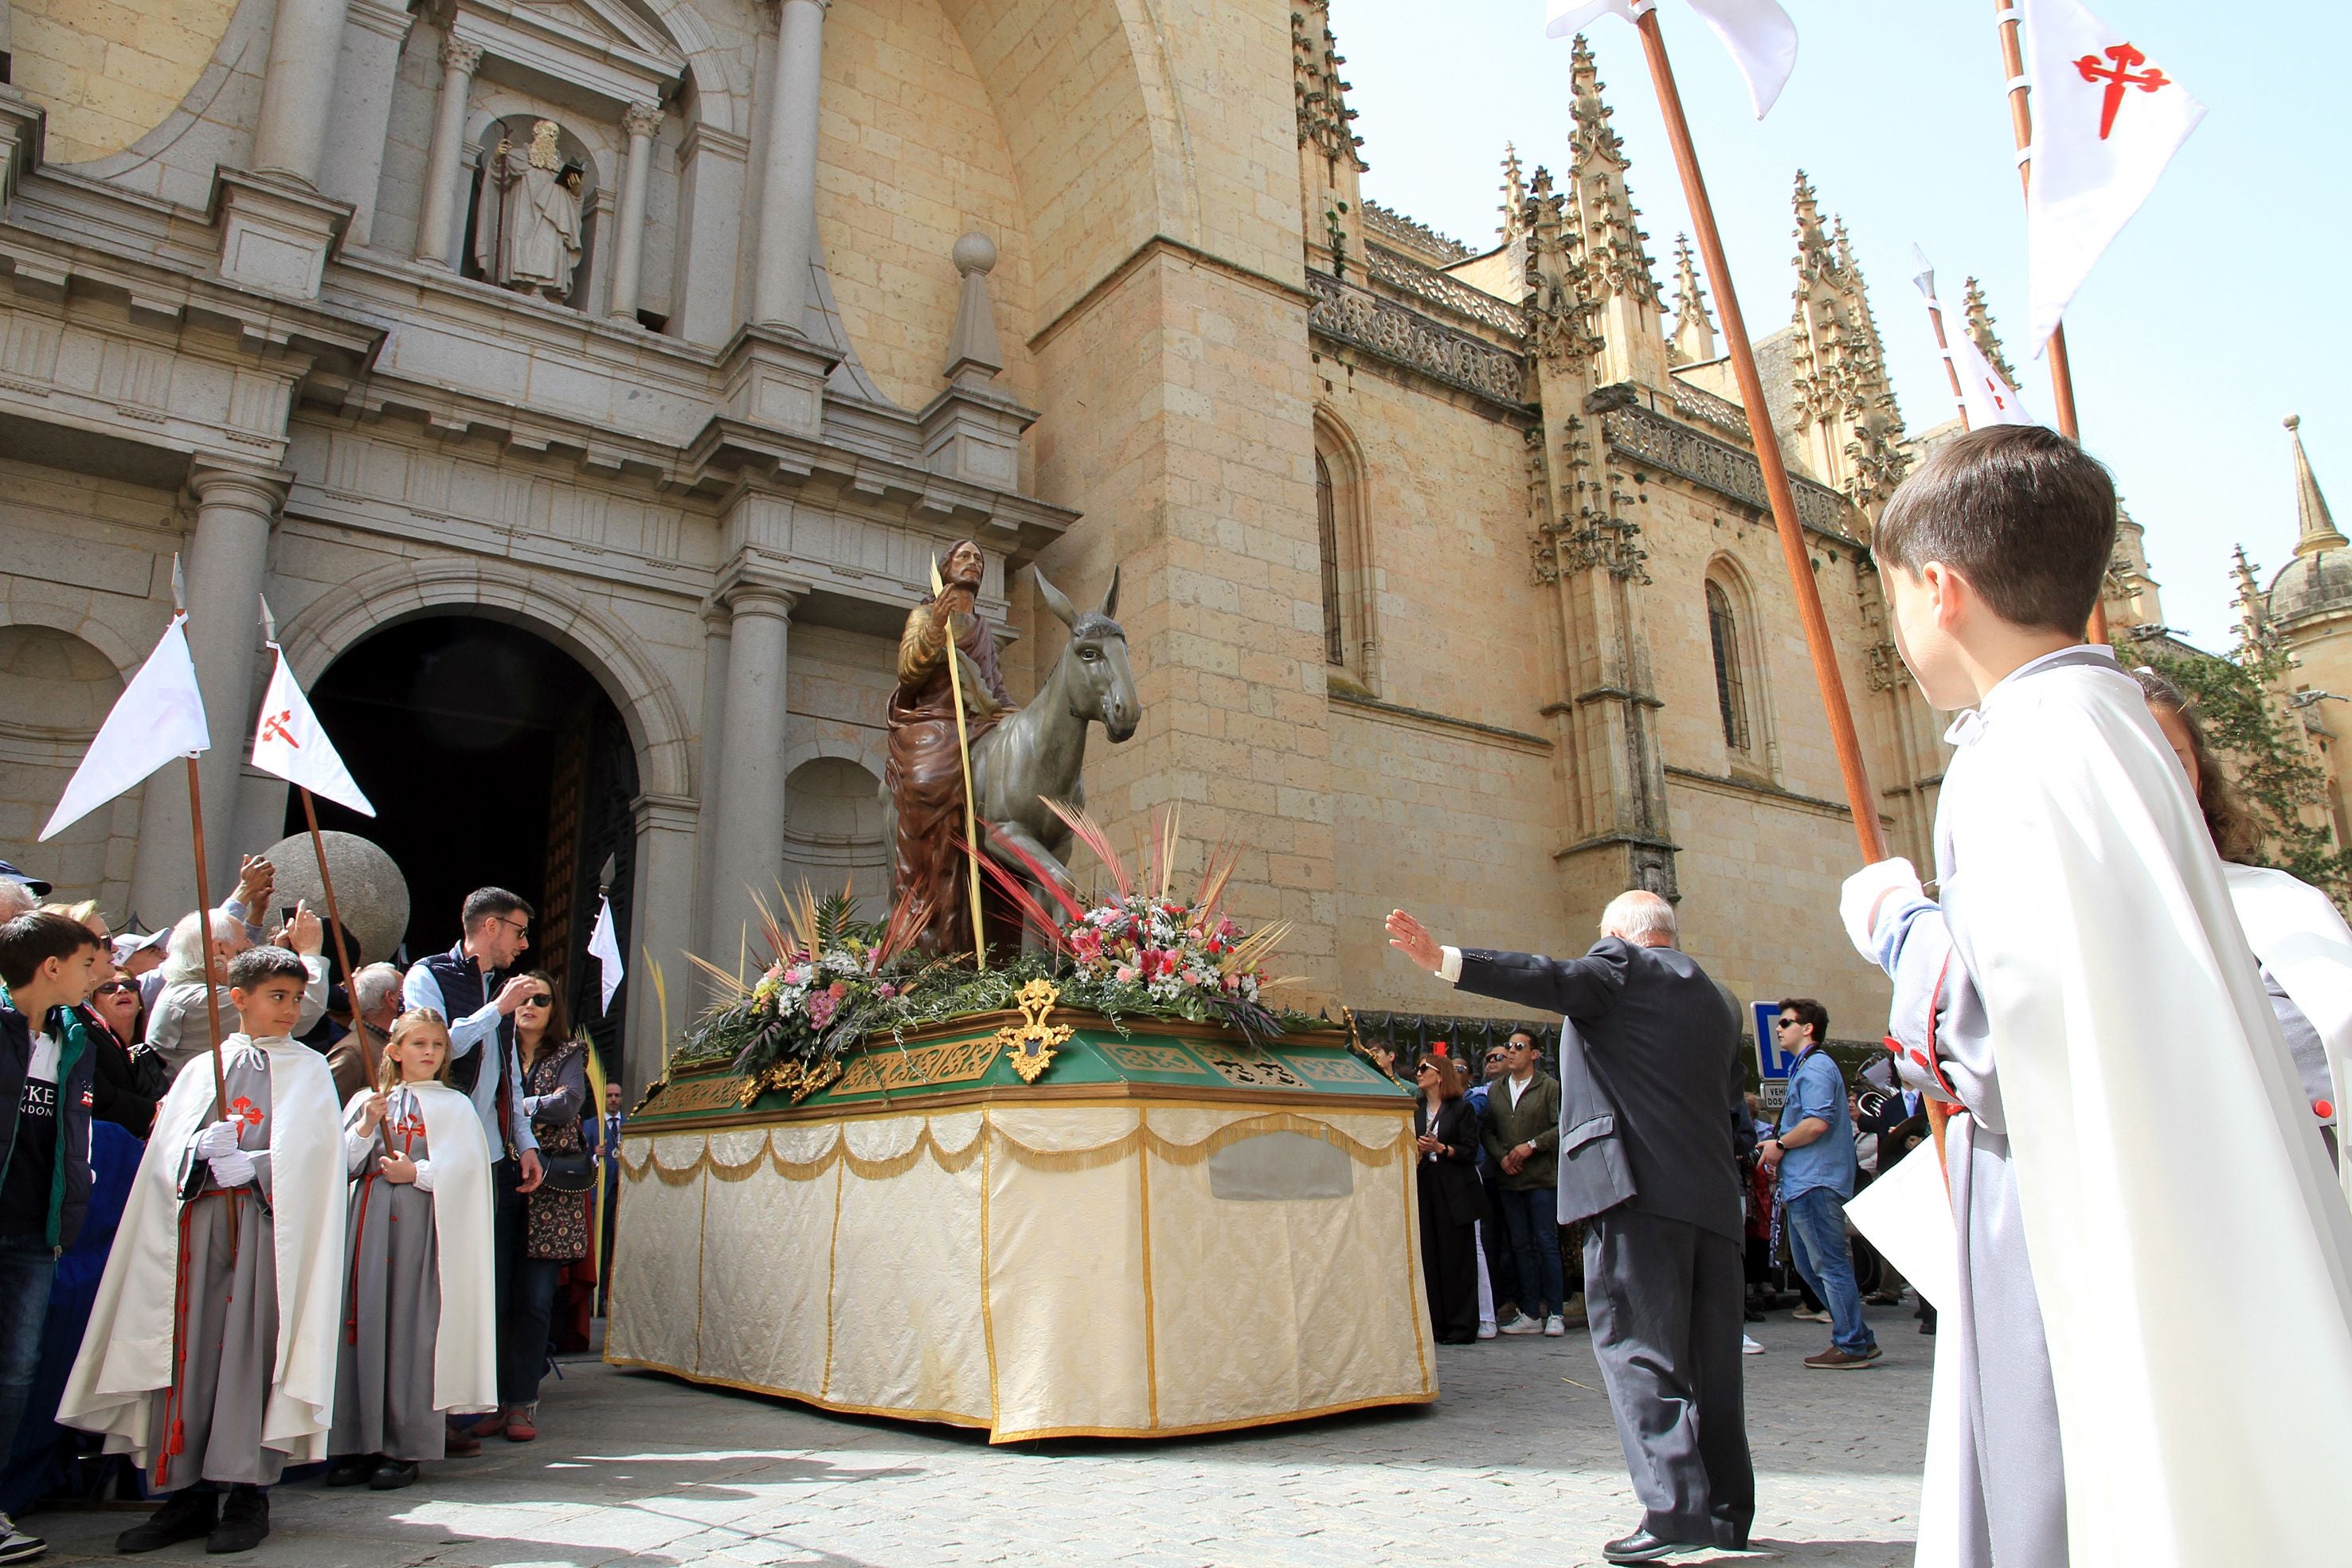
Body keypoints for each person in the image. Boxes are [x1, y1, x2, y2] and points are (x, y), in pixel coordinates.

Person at [1840, 424, 2352, 1566]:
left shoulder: (2015, 746)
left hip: (2073, 1206)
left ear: (1941, 588)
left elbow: (1991, 1046)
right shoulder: (2111, 718)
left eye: (1891, 601)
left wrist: (1894, 919)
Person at [1387, 890, 1751, 1564]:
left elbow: (1546, 975)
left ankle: (1672, 1511)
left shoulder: (1620, 965)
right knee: (1713, 1361)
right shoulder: (1718, 999)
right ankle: (1726, 1512)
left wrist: (1445, 961)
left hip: (1634, 1191)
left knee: (1639, 1349)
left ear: (1619, 934)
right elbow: (1728, 1094)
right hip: (1708, 1196)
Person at [61, 944, 346, 1556]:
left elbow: (319, 1158)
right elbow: (163, 1156)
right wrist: (197, 1153)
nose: (290, 1010)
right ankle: (186, 1493)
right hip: (195, 1231)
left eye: (297, 998)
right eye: (277, 996)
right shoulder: (200, 1069)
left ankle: (248, 1491)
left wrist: (258, 1165)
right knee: (188, 1354)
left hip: (267, 1234)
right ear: (237, 998)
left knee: (250, 1352)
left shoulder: (309, 1068)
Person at [2137, 667, 2350, 1193]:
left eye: (2171, 758)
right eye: (2126, 760)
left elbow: (2327, 1042)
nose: (2149, 778)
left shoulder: (2276, 902)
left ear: (2199, 772)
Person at [327, 1008, 495, 1492]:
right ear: (394, 1051)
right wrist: (364, 1127)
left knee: (411, 1331)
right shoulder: (368, 1099)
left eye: (437, 1045)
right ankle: (356, 1443)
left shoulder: (455, 1107)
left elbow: (468, 1175)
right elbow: (340, 1166)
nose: (428, 1052)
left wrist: (417, 1174)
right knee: (364, 1326)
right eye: (418, 1043)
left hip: (424, 1233)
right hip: (369, 1227)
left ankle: (404, 1446)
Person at [401, 889, 542, 1454]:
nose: (523, 943)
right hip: (438, 1144)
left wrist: (524, 1140)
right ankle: (419, 1409)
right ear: (489, 926)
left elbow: (506, 1069)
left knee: (477, 1281)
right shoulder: (427, 975)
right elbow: (435, 1045)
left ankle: (461, 1405)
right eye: (518, 931)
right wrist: (496, 1009)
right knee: (433, 1277)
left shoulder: (502, 994)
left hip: (487, 1151)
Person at [0, 910, 102, 1564]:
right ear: (52, 966)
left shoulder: (76, 1040)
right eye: (89, 964)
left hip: (36, 1233)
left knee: (14, 1375)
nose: (101, 976)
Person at [886, 538, 1013, 957]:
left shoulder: (983, 628)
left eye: (979, 558)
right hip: (934, 721)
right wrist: (934, 632)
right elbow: (908, 674)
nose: (974, 563)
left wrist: (1014, 715)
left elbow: (994, 687)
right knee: (927, 780)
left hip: (977, 721)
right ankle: (926, 899)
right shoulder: (924, 614)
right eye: (965, 557)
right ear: (946, 568)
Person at [1758, 999, 1877, 1369]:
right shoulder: (1807, 1068)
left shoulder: (1818, 1067)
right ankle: (1857, 1336)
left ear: (1808, 1028)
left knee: (1827, 1263)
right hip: (1805, 1181)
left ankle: (1852, 1343)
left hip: (1816, 1182)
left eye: (1787, 1023)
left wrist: (1779, 1145)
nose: (1779, 1029)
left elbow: (1815, 1124)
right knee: (1812, 1267)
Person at [502, 976, 589, 1438]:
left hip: (551, 1192)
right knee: (497, 1293)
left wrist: (515, 1105)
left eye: (542, 999)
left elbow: (568, 1103)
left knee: (535, 1300)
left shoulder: (569, 1052)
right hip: (502, 1177)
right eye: (525, 998)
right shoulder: (494, 1046)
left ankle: (520, 1401)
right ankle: (489, 1397)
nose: (531, 1005)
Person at [146, 900, 327, 1081]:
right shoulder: (200, 1000)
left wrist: (277, 955)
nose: (251, 946)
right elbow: (307, 1008)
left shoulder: (185, 988)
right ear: (220, 949)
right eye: (246, 939)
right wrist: (311, 951)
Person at [1481, 1027, 1567, 1337]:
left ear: (1534, 1054)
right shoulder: (1497, 1089)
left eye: (1520, 1046)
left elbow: (1562, 1127)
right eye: (1510, 1046)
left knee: (1545, 1243)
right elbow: (1488, 1130)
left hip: (1541, 1178)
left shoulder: (1549, 1087)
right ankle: (1530, 1311)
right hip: (1510, 1179)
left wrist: (1531, 1145)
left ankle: (1555, 1311)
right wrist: (1502, 1155)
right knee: (1520, 1246)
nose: (1512, 1051)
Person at [1411, 1053, 1485, 1346]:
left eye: (1423, 1069)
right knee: (1429, 1253)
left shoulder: (1461, 1108)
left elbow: (1470, 1150)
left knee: (1457, 1256)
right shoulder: (1416, 1109)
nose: (1418, 1073)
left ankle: (1462, 1324)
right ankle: (1436, 1323)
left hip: (1453, 1187)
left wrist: (1441, 1147)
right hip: (1426, 1183)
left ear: (1439, 1075)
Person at [597, 1081, 624, 1316]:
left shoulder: (630, 1125)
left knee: (618, 1246)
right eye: (609, 1096)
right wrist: (595, 1156)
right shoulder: (591, 1125)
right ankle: (597, 1298)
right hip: (601, 1194)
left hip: (623, 1192)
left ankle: (614, 1296)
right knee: (601, 1246)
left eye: (617, 1096)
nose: (613, 1099)